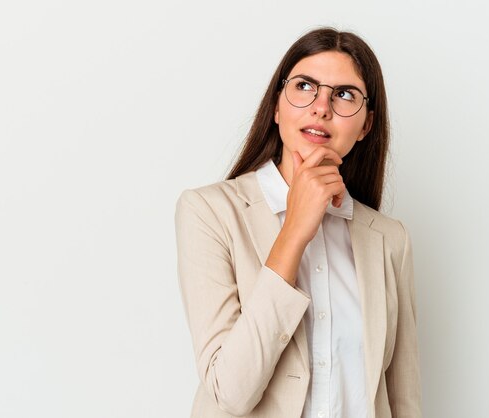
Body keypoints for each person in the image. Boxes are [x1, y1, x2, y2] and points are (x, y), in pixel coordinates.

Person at [175, 27, 421, 418]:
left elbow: (403, 400)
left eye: (344, 94)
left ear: (366, 125)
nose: (322, 106)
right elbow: (229, 394)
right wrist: (294, 231)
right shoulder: (210, 212)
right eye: (305, 86)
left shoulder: (390, 239)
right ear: (277, 107)